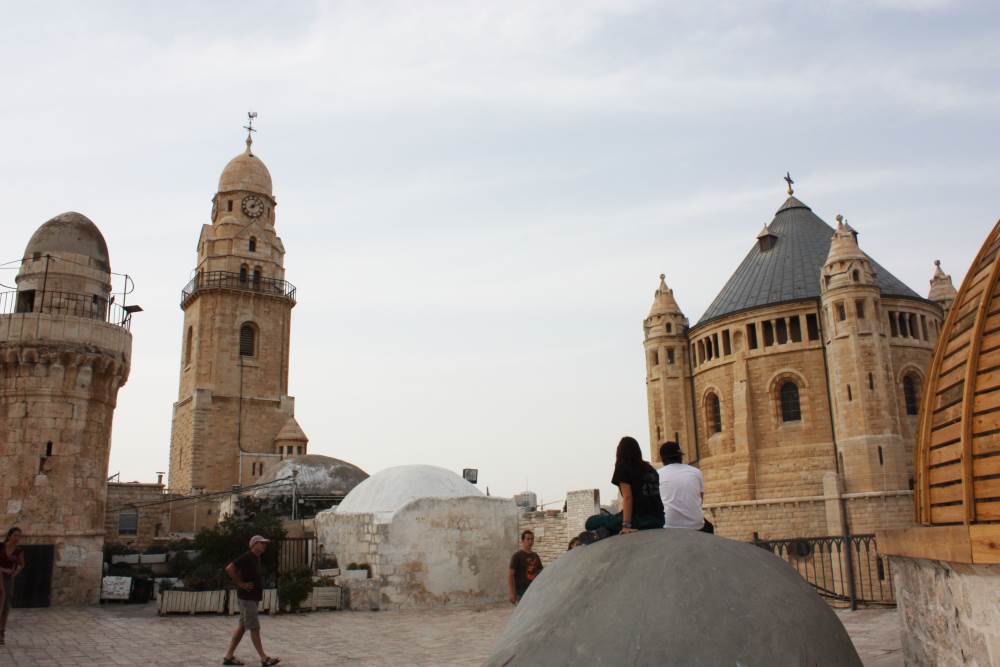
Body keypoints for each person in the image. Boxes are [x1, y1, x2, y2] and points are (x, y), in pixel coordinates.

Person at [582, 437, 664, 541]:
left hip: (639, 520)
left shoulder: (623, 466)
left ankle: (604, 531)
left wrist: (626, 526)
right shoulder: (650, 469)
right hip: (658, 520)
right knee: (614, 520)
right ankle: (605, 531)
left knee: (591, 522)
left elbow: (628, 497)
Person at [222, 535, 280, 666]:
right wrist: (241, 583)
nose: (264, 545)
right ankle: (264, 658)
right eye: (262, 543)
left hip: (252, 598)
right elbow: (229, 568)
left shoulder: (256, 558)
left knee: (243, 626)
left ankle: (228, 657)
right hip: (247, 597)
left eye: (265, 543)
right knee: (254, 627)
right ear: (254, 544)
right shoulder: (247, 556)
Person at [657, 442, 710, 532]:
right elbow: (700, 499)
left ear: (662, 459)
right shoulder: (696, 472)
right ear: (680, 456)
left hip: (669, 525)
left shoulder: (657, 474)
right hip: (696, 525)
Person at [0, 527, 25, 646]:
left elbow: (21, 565)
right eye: (15, 535)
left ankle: (1, 633)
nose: (17, 538)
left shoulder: (19, 551)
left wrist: (15, 573)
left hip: (8, 580)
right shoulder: (0, 546)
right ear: (9, 535)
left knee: (5, 607)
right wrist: (3, 569)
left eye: (19, 536)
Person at [508, 530, 543, 604]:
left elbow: (540, 572)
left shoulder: (535, 556)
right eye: (528, 539)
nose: (530, 541)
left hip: (534, 590)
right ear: (523, 540)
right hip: (521, 592)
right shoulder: (516, 556)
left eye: (532, 539)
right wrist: (512, 593)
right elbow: (510, 575)